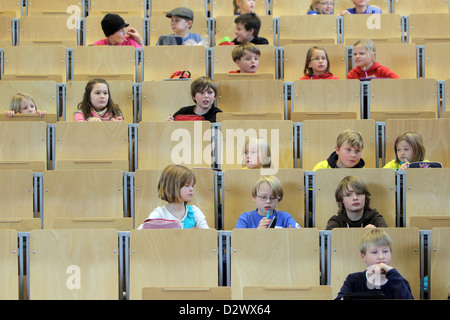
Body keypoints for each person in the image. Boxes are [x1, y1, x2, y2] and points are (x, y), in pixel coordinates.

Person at [336, 229, 414, 300]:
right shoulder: (353, 280)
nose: (381, 257)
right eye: (374, 252)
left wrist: (392, 272)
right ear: (363, 257)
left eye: (385, 251)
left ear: (391, 254)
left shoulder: (399, 281)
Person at [137, 164, 209, 229]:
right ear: (173, 187)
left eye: (192, 185)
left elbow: (208, 236)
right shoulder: (160, 213)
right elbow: (140, 234)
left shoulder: (195, 212)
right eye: (187, 186)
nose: (191, 189)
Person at [235, 175, 301, 229]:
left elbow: (299, 235)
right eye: (263, 197)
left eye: (273, 198)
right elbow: (238, 241)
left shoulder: (284, 217)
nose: (268, 201)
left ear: (279, 200)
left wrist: (292, 235)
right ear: (254, 197)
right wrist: (257, 232)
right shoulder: (246, 218)